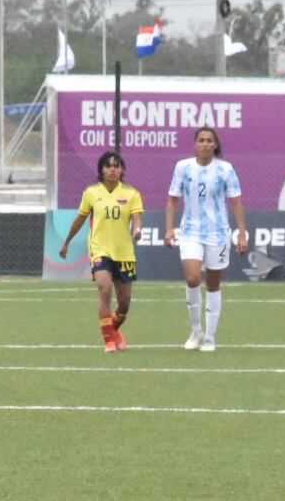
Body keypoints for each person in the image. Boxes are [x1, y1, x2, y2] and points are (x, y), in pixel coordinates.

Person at [165, 126, 247, 352]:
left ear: (215, 145)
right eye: (201, 140)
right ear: (195, 144)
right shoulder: (183, 167)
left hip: (218, 234)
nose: (205, 144)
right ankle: (196, 331)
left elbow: (236, 202)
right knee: (192, 278)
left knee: (213, 284)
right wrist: (169, 228)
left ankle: (210, 338)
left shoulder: (225, 169)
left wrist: (241, 233)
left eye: (209, 140)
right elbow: (172, 199)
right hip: (190, 232)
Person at [59, 150, 144, 352]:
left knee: (124, 304)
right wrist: (67, 242)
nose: (112, 169)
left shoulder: (131, 193)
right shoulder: (91, 193)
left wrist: (138, 229)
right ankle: (109, 341)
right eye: (108, 166)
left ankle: (114, 329)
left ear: (122, 170)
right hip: (100, 249)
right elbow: (80, 219)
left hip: (124, 253)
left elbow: (137, 217)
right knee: (104, 289)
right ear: (102, 170)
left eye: (116, 166)